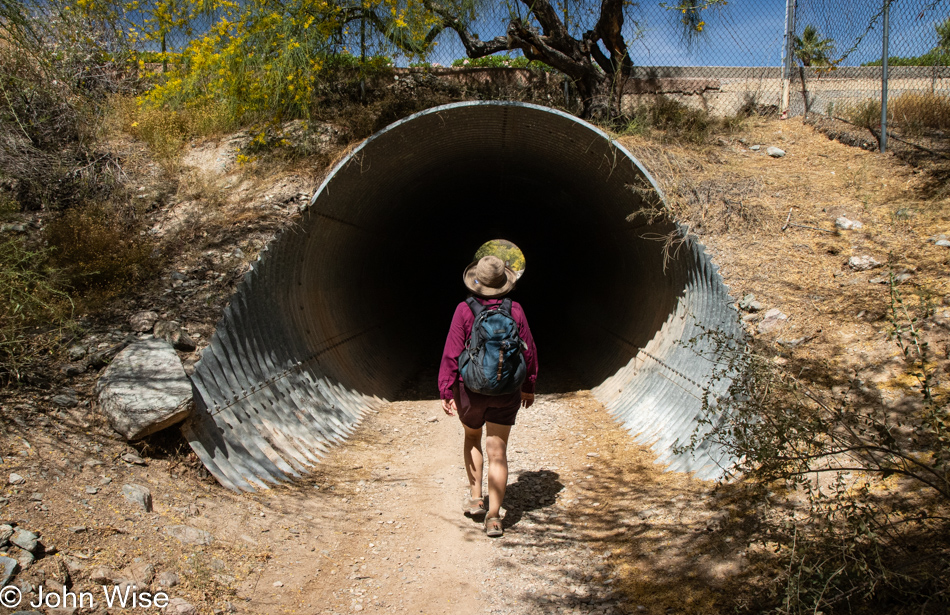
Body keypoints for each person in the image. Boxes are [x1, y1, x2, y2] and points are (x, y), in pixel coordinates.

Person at [438, 255, 538, 537]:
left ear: (476, 282)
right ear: (504, 284)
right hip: (506, 390)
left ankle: (475, 498)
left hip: (471, 390)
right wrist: (528, 385)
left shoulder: (463, 310)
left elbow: (452, 351)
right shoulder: (515, 309)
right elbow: (528, 350)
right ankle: (494, 517)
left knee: (472, 437)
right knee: (498, 451)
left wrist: (447, 389)